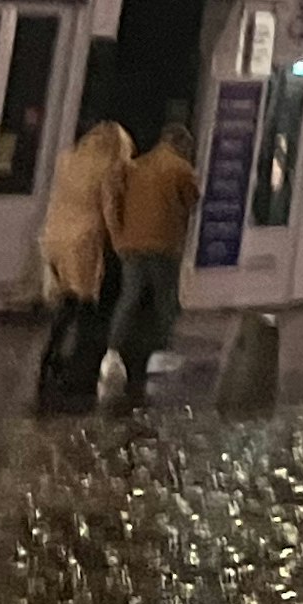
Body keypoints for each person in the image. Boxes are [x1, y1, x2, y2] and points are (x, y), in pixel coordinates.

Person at [36, 120, 131, 410]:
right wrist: (120, 241)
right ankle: (77, 367)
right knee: (85, 303)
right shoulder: (108, 167)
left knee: (66, 300)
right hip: (85, 240)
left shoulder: (68, 159)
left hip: (56, 235)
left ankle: (49, 357)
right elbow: (108, 208)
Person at [107, 123, 202, 403]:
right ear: (181, 144)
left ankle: (112, 353)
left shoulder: (138, 165)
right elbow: (193, 199)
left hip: (132, 242)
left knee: (130, 297)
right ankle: (160, 355)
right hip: (163, 244)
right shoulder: (181, 168)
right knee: (165, 300)